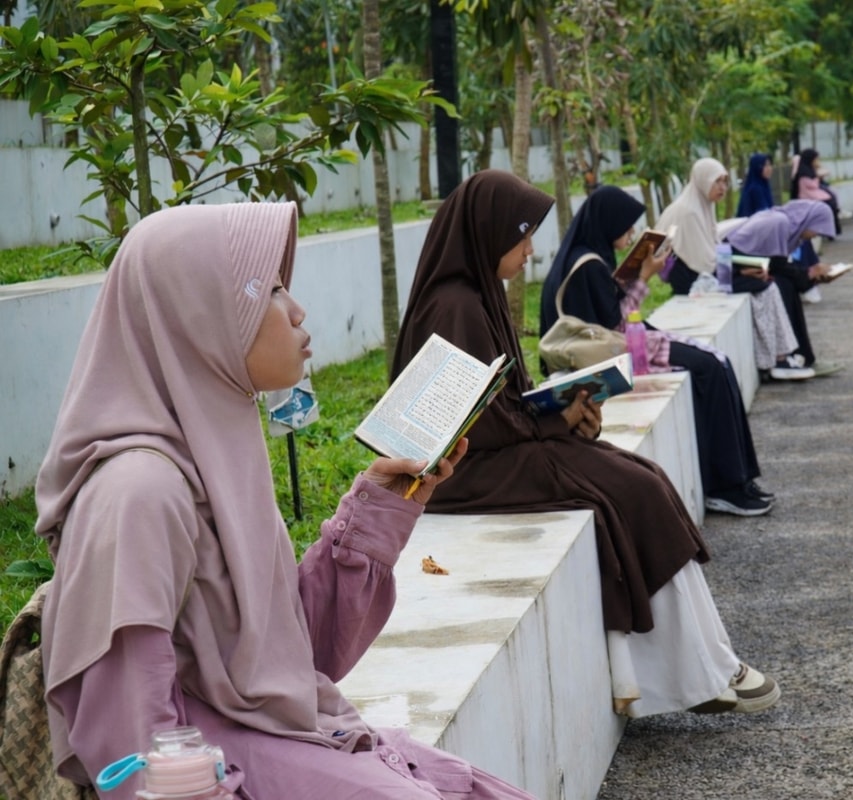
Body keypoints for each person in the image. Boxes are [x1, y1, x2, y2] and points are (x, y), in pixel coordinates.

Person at [34, 202, 534, 800]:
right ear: (201, 317)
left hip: (277, 736)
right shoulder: (137, 492)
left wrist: (379, 504)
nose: (297, 310)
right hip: (218, 770)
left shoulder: (215, 448)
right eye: (270, 292)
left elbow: (292, 657)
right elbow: (132, 744)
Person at [391, 169, 781, 719]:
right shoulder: (455, 308)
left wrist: (568, 416)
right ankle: (701, 670)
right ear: (489, 232)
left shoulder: (478, 294)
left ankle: (702, 664)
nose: (530, 251)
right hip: (465, 472)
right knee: (632, 491)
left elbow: (506, 404)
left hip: (499, 454)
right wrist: (560, 420)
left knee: (642, 477)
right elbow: (473, 427)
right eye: (522, 237)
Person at [540, 184, 773, 516]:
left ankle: (739, 479)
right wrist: (644, 277)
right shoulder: (588, 265)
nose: (631, 233)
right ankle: (725, 486)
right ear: (609, 223)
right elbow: (617, 323)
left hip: (615, 346)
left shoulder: (583, 256)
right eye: (626, 226)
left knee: (716, 361)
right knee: (710, 367)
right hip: (613, 353)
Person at [657, 157, 814, 381]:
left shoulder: (701, 206)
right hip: (691, 281)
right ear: (702, 180)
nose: (722, 187)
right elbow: (704, 262)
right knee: (764, 287)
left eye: (725, 181)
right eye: (717, 181)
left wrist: (745, 268)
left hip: (702, 275)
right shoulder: (689, 212)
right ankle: (775, 359)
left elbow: (711, 252)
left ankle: (779, 356)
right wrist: (741, 272)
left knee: (766, 282)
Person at [724, 199, 845, 376]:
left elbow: (778, 263)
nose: (815, 235)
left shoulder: (788, 226)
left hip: (745, 263)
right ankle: (787, 357)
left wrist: (811, 276)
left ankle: (801, 355)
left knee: (787, 284)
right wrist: (810, 274)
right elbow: (778, 264)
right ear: (809, 221)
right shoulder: (780, 222)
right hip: (732, 266)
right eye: (817, 229)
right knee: (783, 286)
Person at [790, 148, 844, 234]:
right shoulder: (803, 173)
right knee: (829, 201)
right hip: (808, 197)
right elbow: (812, 186)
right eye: (816, 159)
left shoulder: (809, 170)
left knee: (831, 197)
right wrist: (818, 177)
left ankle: (833, 227)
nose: (817, 161)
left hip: (812, 194)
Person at [736, 153, 776, 218]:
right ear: (757, 168)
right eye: (765, 165)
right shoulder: (755, 188)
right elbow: (765, 214)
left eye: (770, 165)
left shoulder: (763, 185)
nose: (769, 168)